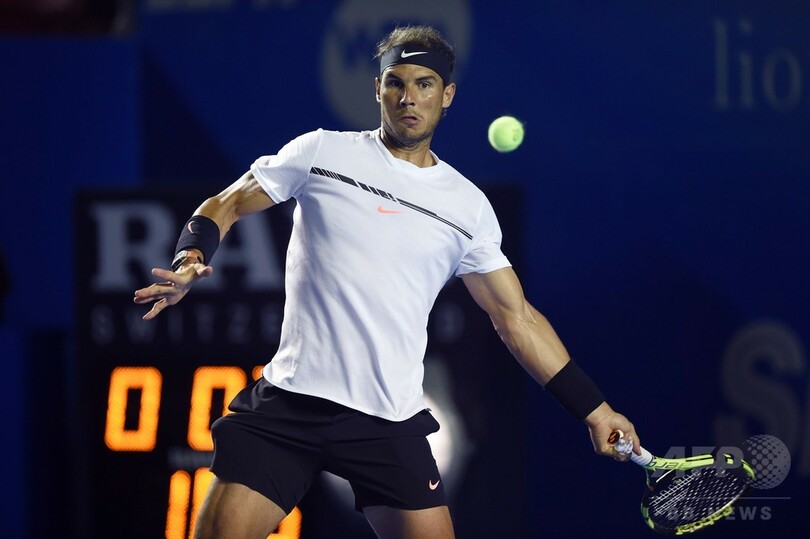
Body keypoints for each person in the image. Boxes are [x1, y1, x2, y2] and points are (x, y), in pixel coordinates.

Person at [134, 24, 640, 539]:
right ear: (378, 88)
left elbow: (518, 320)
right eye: (396, 82)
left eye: (424, 84)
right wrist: (191, 256)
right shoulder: (320, 153)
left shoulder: (468, 208)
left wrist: (595, 410)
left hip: (387, 423)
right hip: (290, 405)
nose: (408, 98)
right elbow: (227, 202)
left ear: (447, 95)